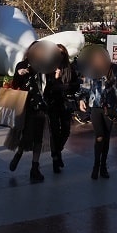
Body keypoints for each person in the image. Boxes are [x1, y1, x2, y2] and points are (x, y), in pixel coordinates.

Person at [78, 49, 117, 180]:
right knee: (99, 136)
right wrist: (82, 100)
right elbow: (86, 87)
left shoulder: (115, 70)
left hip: (110, 107)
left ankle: (103, 166)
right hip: (95, 107)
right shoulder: (91, 70)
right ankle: (96, 165)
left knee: (106, 137)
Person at [8, 44, 51, 183]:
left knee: (38, 137)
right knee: (27, 135)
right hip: (26, 105)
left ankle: (35, 167)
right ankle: (19, 154)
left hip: (41, 106)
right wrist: (19, 74)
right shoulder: (23, 65)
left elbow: (49, 84)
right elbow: (15, 83)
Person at [46, 44, 77, 174]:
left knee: (65, 130)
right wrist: (56, 79)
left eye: (62, 54)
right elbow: (47, 89)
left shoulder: (69, 69)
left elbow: (75, 85)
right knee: (54, 132)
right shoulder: (48, 68)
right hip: (52, 104)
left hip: (65, 104)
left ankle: (57, 151)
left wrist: (64, 86)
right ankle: (55, 159)